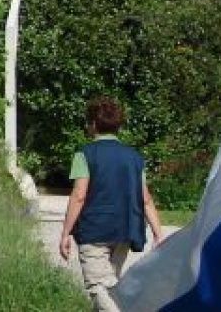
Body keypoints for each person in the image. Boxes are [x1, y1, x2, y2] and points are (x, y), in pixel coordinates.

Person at [59, 96, 165, 312]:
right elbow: (145, 198)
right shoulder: (134, 157)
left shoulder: (85, 154)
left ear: (93, 125)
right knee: (110, 289)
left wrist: (65, 233)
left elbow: (79, 195)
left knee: (98, 287)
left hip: (94, 231)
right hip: (124, 230)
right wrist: (158, 233)